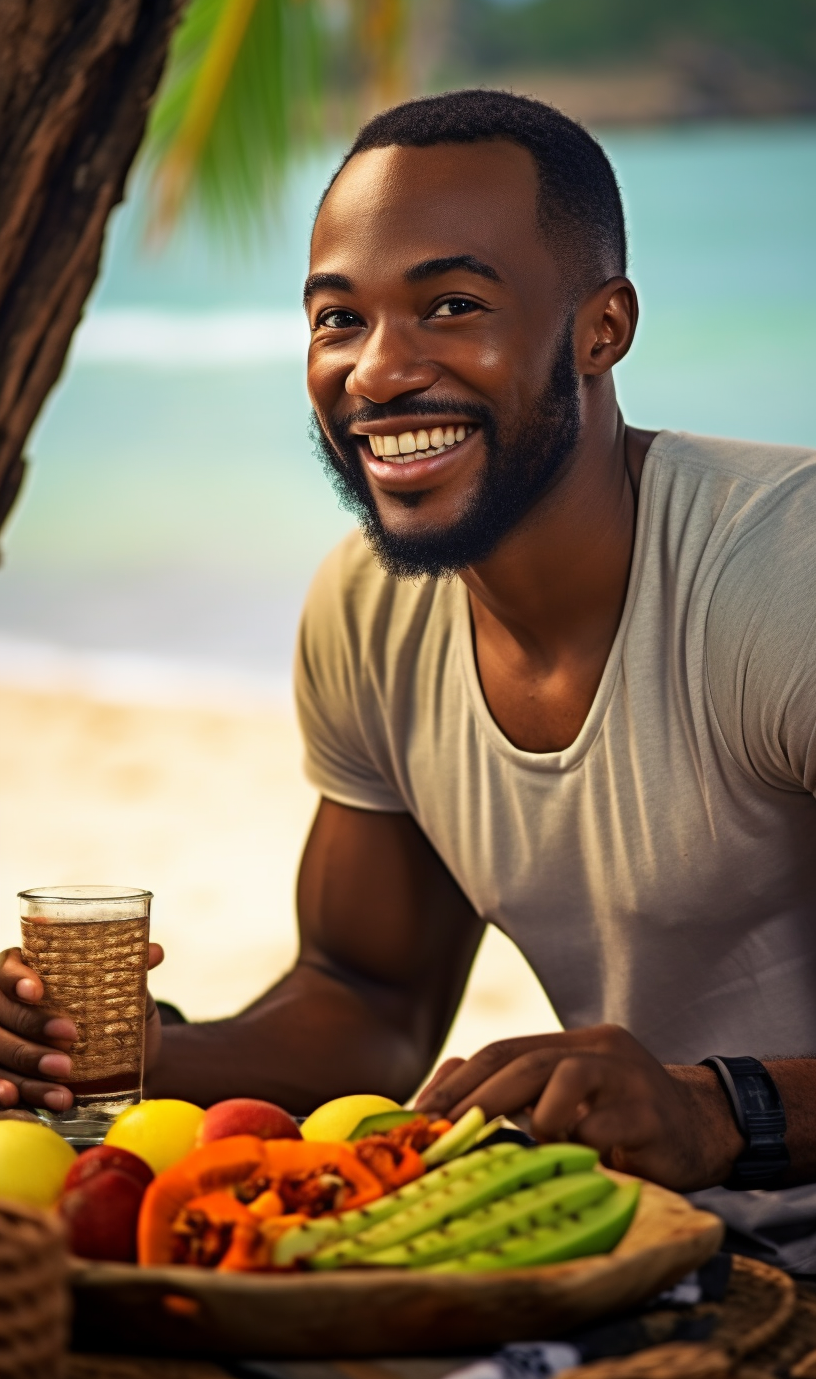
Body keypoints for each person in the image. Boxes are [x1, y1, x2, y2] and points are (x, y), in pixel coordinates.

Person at [2, 90, 816, 1271]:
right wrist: (107, 1048)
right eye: (339, 319)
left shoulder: (781, 575)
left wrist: (716, 1108)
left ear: (603, 327)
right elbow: (367, 1005)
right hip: (670, 1256)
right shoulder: (369, 611)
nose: (378, 372)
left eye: (451, 305)